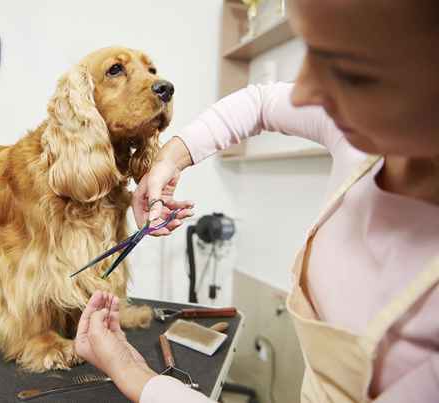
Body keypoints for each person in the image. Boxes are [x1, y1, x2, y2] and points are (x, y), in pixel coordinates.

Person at [75, 0, 439, 401]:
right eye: (309, 51)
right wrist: (168, 161)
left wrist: (133, 374)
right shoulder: (364, 138)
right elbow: (260, 103)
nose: (302, 96)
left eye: (348, 67)